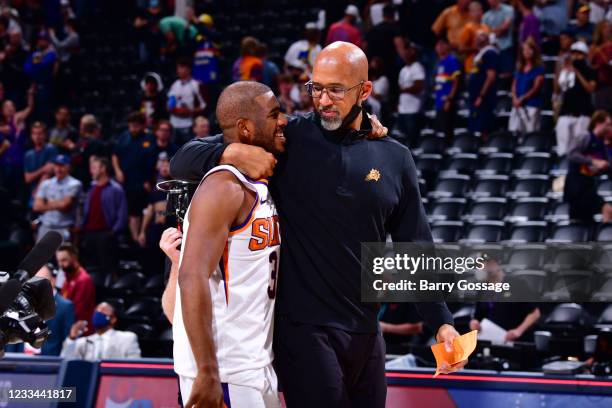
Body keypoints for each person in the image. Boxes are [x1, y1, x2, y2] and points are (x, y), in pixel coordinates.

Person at [170, 41, 464, 408]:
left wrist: (441, 322)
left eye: (336, 90)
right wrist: (228, 151)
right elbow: (182, 160)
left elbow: (416, 246)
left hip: (367, 332)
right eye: (316, 88)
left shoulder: (395, 157)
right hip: (304, 332)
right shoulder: (290, 137)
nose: (323, 100)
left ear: (365, 91)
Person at [172, 81, 287, 407]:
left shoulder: (258, 184)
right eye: (274, 114)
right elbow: (191, 276)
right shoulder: (223, 187)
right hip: (223, 371)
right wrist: (207, 371)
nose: (283, 121)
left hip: (253, 365)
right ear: (246, 129)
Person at [470, 258, 541, 342]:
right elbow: (477, 317)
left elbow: (535, 313)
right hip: (491, 340)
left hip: (516, 342)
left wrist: (518, 331)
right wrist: (474, 324)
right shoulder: (482, 289)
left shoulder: (517, 284)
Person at [111, 112, 157, 243]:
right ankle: (132, 239)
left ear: (143, 125)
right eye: (131, 126)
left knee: (139, 211)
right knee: (128, 211)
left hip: (142, 182)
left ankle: (139, 239)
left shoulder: (149, 139)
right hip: (125, 181)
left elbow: (152, 162)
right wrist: (117, 170)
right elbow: (115, 155)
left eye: (136, 126)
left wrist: (148, 181)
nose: (132, 129)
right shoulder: (124, 137)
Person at [79, 156, 127, 278]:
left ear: (103, 169)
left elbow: (122, 214)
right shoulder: (91, 188)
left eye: (94, 168)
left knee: (108, 270)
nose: (91, 171)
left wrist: (113, 232)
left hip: (106, 235)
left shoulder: (116, 189)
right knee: (90, 269)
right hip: (89, 234)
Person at [564, 110, 612, 222]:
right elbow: (571, 154)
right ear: (598, 123)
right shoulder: (586, 136)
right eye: (608, 124)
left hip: (589, 186)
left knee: (590, 221)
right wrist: (592, 161)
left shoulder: (602, 143)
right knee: (579, 221)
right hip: (577, 187)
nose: (610, 127)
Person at [555, 41, 596, 156]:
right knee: (563, 148)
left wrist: (577, 72)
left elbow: (590, 88)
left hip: (582, 115)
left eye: (579, 54)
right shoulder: (566, 71)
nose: (576, 57)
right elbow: (558, 89)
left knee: (579, 149)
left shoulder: (589, 71)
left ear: (585, 55)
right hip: (566, 113)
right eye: (574, 54)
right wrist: (562, 70)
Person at [61, 302, 141, 361]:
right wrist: (72, 338)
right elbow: (65, 361)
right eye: (96, 311)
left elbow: (134, 366)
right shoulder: (84, 342)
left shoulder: (127, 338)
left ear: (113, 319)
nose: (98, 313)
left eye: (103, 310)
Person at [32, 154, 82, 241]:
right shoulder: (46, 183)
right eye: (56, 166)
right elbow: (36, 206)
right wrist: (58, 203)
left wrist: (46, 203)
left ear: (68, 167)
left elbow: (65, 206)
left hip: (63, 228)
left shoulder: (75, 184)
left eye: (61, 166)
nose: (58, 169)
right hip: (45, 226)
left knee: (62, 255)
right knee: (40, 255)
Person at [35, 264, 75, 356]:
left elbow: (67, 340)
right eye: (33, 279)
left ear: (53, 281)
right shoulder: (23, 303)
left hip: (50, 362)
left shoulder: (65, 306)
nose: (36, 284)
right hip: (21, 360)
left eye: (41, 279)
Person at [56, 243, 96, 336]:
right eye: (59, 261)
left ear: (74, 257)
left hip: (81, 331)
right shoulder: (68, 277)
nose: (61, 264)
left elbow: (77, 311)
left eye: (64, 260)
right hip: (70, 326)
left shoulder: (83, 280)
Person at [508, 39, 544, 134]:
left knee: (530, 131)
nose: (527, 52)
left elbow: (536, 88)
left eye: (529, 49)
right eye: (524, 49)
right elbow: (514, 85)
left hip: (531, 104)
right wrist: (515, 98)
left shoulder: (539, 69)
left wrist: (523, 98)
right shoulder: (519, 68)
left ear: (534, 51)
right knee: (514, 131)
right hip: (517, 105)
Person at [167, 58, 206, 145]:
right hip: (173, 124)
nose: (179, 70)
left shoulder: (196, 85)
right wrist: (170, 107)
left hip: (188, 125)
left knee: (188, 152)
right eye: (178, 68)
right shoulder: (174, 84)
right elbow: (169, 103)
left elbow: (204, 105)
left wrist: (189, 111)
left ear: (188, 69)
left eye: (181, 68)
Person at [467, 31, 499, 136]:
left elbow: (491, 76)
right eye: (476, 36)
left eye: (481, 36)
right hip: (475, 96)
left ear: (487, 39)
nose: (477, 38)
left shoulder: (490, 53)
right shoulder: (479, 54)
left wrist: (481, 95)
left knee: (483, 128)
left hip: (484, 98)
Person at [394, 41, 425, 147]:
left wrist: (404, 90)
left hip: (413, 109)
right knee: (402, 138)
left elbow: (419, 86)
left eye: (411, 51)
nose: (407, 53)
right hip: (403, 108)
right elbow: (400, 89)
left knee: (412, 139)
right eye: (407, 50)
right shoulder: (403, 70)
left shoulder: (417, 67)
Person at [363, 4, 403, 81]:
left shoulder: (372, 30)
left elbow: (364, 47)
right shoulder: (395, 30)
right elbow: (400, 48)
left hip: (373, 66)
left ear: (383, 14)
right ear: (394, 15)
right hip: (389, 67)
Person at [434, 37, 461, 142]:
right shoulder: (439, 62)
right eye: (438, 45)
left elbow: (456, 81)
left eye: (442, 44)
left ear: (447, 46)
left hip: (447, 101)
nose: (439, 47)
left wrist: (450, 99)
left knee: (447, 130)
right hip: (439, 101)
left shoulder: (452, 60)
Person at [71, 114, 111, 186]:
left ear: (82, 127)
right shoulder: (79, 143)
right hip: (82, 180)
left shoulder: (95, 144)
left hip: (88, 181)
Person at [23, 121, 57, 202]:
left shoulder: (50, 149)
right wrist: (42, 169)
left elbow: (48, 172)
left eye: (40, 133)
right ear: (31, 135)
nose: (37, 136)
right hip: (33, 194)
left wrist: (38, 191)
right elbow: (27, 178)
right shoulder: (28, 155)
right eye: (34, 133)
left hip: (48, 193)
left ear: (45, 135)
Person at [483, 0, 515, 78]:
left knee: (506, 75)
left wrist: (491, 32)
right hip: (491, 50)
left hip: (505, 47)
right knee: (492, 76)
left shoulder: (508, 10)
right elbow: (484, 34)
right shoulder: (486, 15)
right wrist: (498, 30)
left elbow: (505, 28)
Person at [459, 1, 490, 73]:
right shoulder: (468, 28)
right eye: (475, 11)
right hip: (472, 66)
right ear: (470, 13)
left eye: (479, 10)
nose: (478, 13)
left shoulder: (486, 27)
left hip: (485, 65)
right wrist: (476, 48)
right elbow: (461, 48)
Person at [590, 20, 612, 111]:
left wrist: (600, 51)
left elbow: (609, 63)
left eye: (609, 26)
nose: (608, 29)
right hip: (598, 85)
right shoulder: (594, 46)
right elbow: (591, 64)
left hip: (609, 82)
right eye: (605, 27)